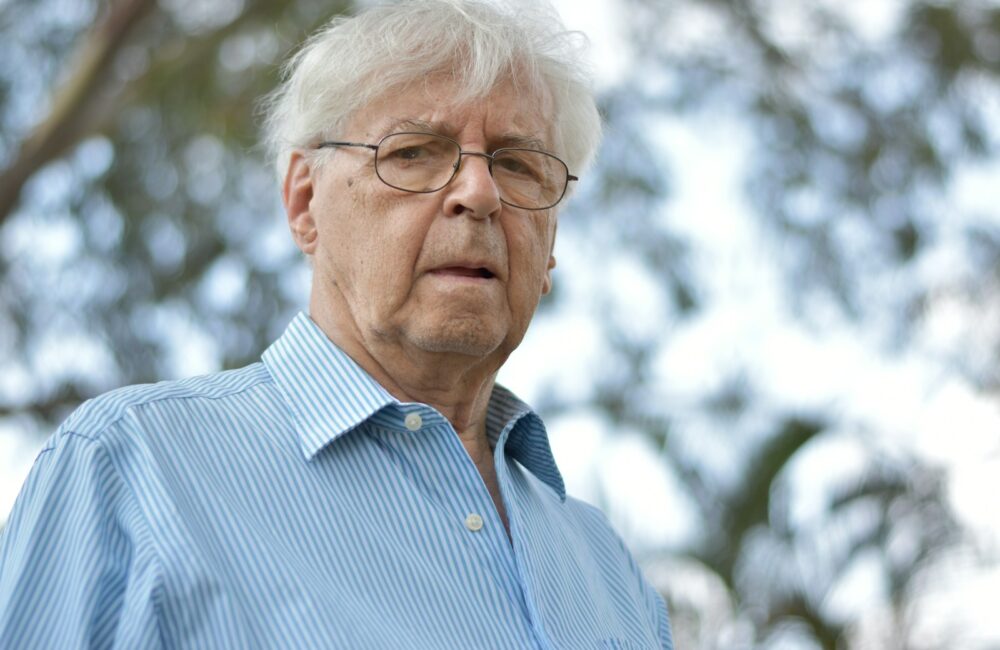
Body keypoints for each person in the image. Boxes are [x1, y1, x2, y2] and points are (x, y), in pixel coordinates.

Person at [0, 1, 674, 648]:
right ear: (305, 202)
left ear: (551, 242)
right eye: (414, 152)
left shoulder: (610, 573)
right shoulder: (130, 466)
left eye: (519, 165)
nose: (479, 193)